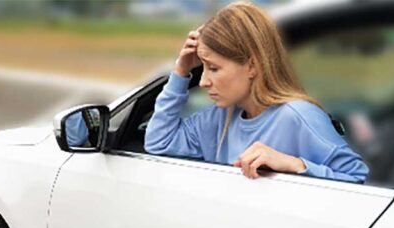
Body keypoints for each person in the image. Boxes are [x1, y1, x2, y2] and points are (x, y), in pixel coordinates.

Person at [145, 1, 369, 183]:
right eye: (201, 67)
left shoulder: (298, 116)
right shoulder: (217, 119)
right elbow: (159, 143)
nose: (202, 81)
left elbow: (358, 178)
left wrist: (295, 165)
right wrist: (182, 70)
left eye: (213, 68)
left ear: (252, 66)